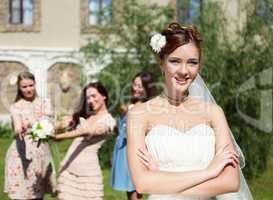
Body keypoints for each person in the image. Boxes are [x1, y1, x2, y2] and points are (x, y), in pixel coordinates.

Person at [127, 22, 253, 200]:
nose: (184, 71)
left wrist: (163, 181)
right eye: (175, 61)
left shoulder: (214, 113)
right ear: (161, 63)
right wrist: (210, 172)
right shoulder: (139, 114)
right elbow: (142, 183)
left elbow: (231, 182)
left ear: (199, 66)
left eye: (192, 62)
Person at [51, 82, 116, 200]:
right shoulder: (85, 114)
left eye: (94, 96)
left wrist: (59, 137)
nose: (90, 100)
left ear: (104, 96)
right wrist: (44, 129)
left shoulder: (109, 121)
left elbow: (86, 132)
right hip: (69, 169)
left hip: (87, 174)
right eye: (88, 98)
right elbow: (63, 123)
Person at [4, 71, 56, 200]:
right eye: (24, 87)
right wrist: (19, 129)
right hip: (21, 153)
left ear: (35, 84)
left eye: (31, 85)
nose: (28, 89)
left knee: (37, 194)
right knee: (22, 195)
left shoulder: (45, 103)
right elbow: (17, 127)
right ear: (19, 88)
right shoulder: (16, 106)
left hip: (41, 153)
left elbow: (52, 125)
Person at [111, 72, 157, 200]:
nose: (135, 88)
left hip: (134, 151)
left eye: (140, 86)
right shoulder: (131, 104)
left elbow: (148, 131)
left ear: (147, 88)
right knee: (129, 191)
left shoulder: (147, 107)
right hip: (122, 151)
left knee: (135, 191)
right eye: (135, 84)